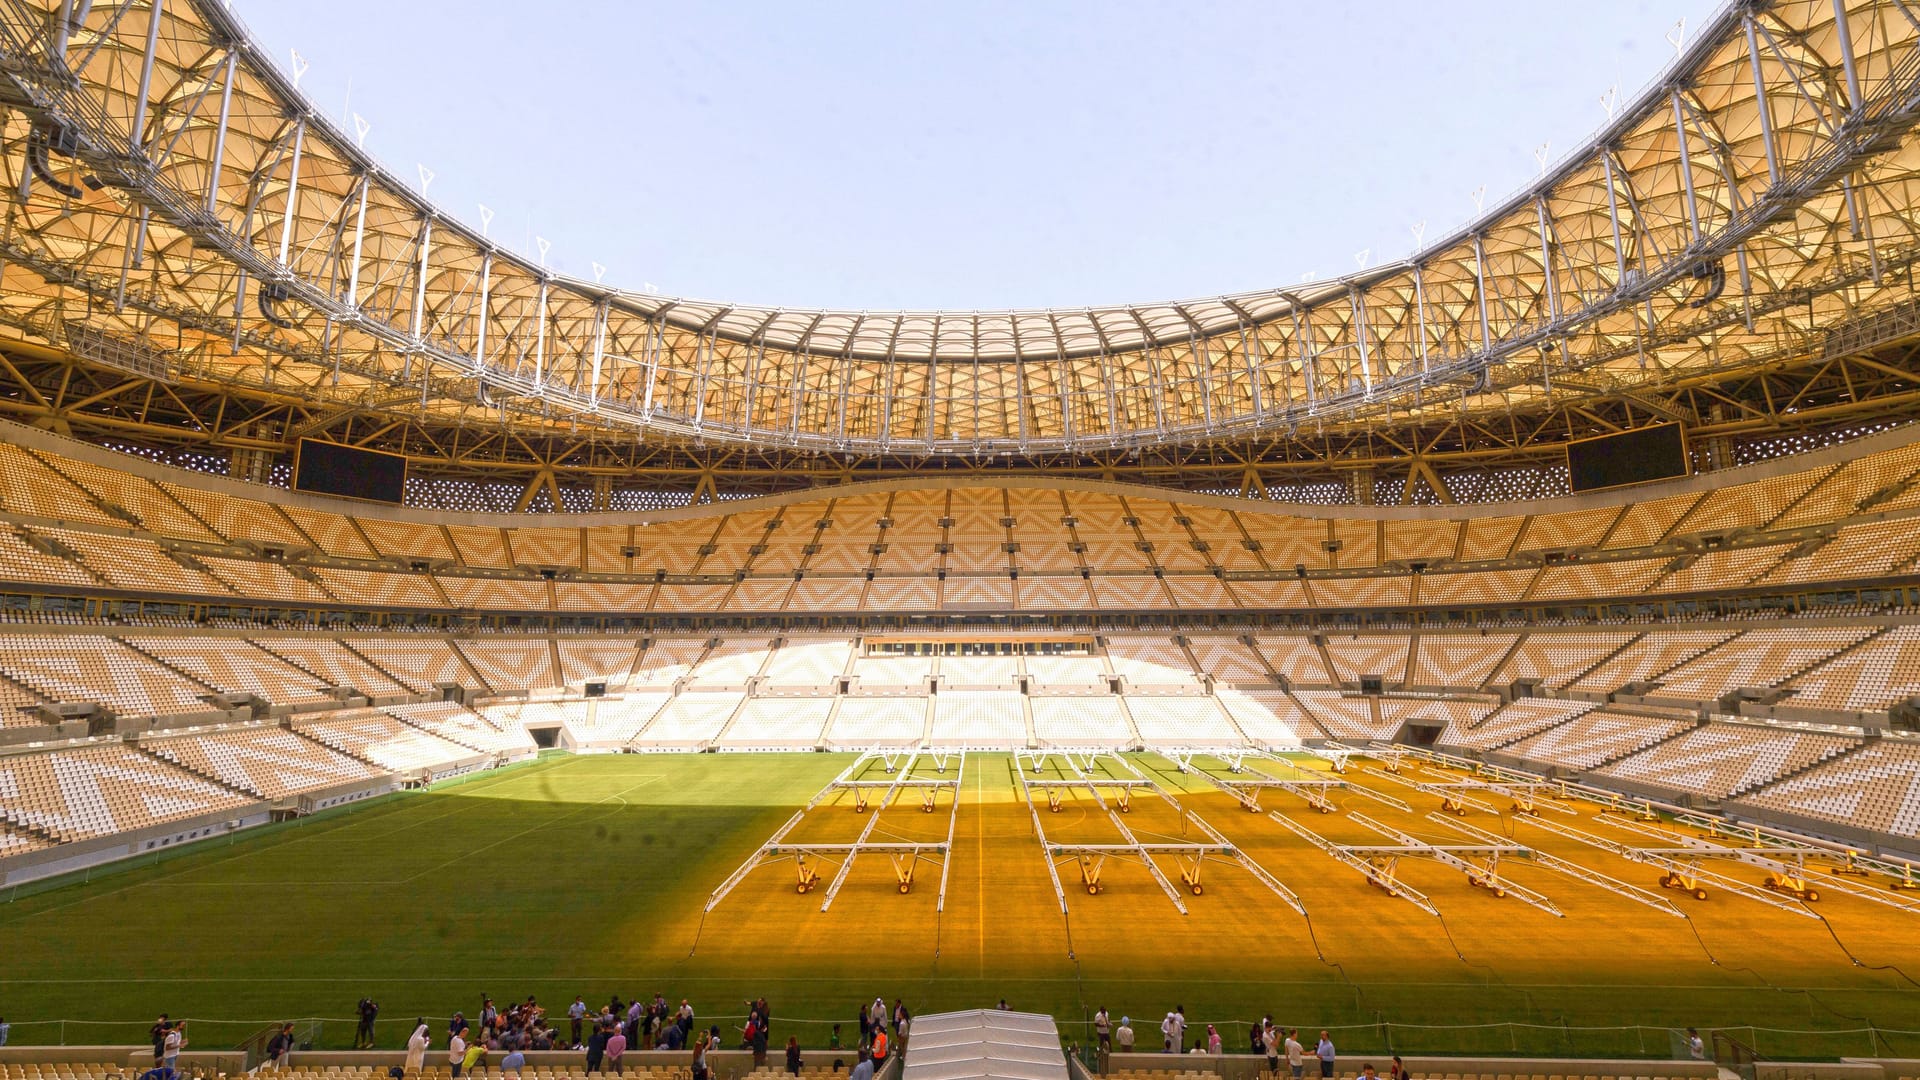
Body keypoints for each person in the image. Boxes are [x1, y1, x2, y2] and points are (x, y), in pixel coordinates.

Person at [1093, 1007, 1112, 1075]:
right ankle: (1100, 1054)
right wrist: (1101, 1025)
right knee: (1101, 1044)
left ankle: (1111, 1054)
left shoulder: (1106, 1013)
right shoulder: (1098, 1016)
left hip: (1106, 1031)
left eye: (1105, 1011)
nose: (1104, 1013)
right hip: (1101, 1032)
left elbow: (1108, 1019)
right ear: (1101, 1011)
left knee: (1109, 1043)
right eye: (1103, 1012)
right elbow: (1095, 1024)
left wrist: (1109, 1023)